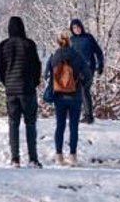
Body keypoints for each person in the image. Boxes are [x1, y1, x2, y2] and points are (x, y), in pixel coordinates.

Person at [0, 16, 43, 168]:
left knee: (13, 124)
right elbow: (37, 66)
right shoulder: (29, 44)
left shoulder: (3, 45)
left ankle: (15, 159)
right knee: (30, 123)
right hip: (27, 89)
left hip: (11, 91)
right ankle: (33, 159)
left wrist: (7, 82)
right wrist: (34, 82)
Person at [45, 31, 92, 166]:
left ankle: (59, 155)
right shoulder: (77, 56)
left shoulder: (54, 57)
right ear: (69, 42)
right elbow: (88, 75)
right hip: (75, 96)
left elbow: (46, 76)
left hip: (59, 96)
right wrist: (83, 85)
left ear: (58, 43)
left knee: (60, 126)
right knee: (73, 127)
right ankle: (73, 156)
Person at [69, 19, 104, 124]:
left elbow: (99, 52)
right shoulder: (72, 40)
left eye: (78, 27)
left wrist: (100, 65)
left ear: (81, 27)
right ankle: (83, 115)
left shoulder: (88, 38)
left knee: (84, 90)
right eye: (74, 28)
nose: (77, 29)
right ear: (72, 29)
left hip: (88, 68)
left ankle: (89, 117)